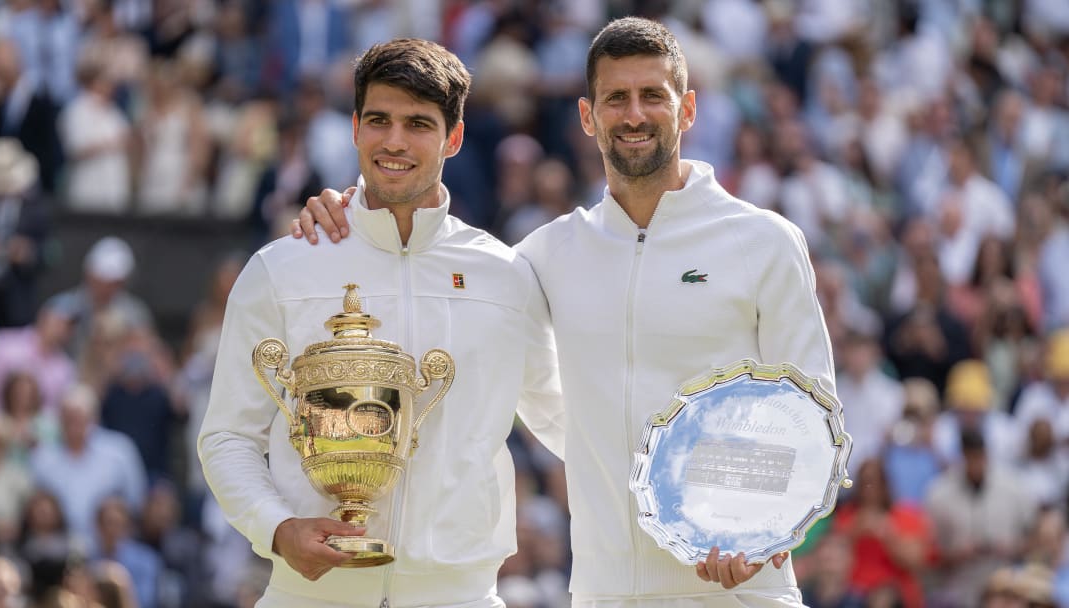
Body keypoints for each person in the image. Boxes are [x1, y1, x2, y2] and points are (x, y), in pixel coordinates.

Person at [295, 17, 835, 606]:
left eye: (653, 95)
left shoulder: (765, 241)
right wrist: (351, 216)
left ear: (688, 110)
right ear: (586, 116)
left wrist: (765, 530)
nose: (634, 115)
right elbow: (427, 267)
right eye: (616, 98)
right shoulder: (545, 253)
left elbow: (814, 412)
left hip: (741, 588)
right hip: (602, 593)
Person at [198, 38, 563, 608]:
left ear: (455, 137)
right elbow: (227, 436)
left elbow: (567, 423)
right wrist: (275, 528)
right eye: (379, 120)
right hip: (309, 595)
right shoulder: (282, 267)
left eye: (418, 123)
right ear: (355, 129)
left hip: (460, 595)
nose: (394, 142)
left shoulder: (506, 276)